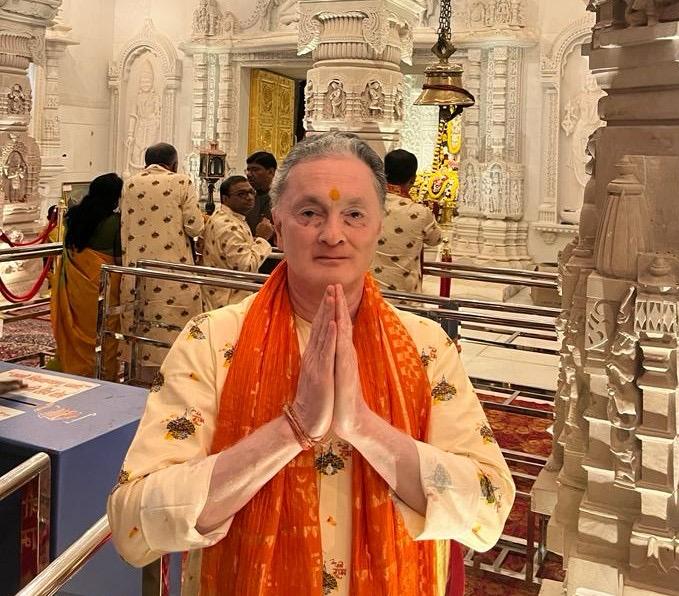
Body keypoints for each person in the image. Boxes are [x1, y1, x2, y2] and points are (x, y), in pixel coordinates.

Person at [108, 132, 513, 595]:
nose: (333, 234)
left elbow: (489, 511)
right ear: (277, 224)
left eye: (354, 214)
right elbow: (133, 526)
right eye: (309, 213)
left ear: (379, 225)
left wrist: (362, 425)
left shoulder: (425, 347)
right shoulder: (213, 341)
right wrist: (292, 429)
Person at [119, 142, 205, 381]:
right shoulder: (181, 181)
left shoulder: (130, 183)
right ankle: (174, 384)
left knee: (141, 326)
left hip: (137, 272)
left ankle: (139, 384)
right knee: (175, 333)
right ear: (174, 163)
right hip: (173, 275)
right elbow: (194, 225)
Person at [50, 173, 122, 379]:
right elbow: (118, 260)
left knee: (74, 333)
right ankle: (103, 378)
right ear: (115, 197)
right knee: (103, 335)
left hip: (74, 289)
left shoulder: (73, 216)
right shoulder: (114, 223)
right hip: (101, 289)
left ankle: (72, 370)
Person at [371, 149, 442, 293]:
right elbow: (436, 239)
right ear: (413, 179)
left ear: (384, 174)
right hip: (405, 297)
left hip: (369, 294)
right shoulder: (420, 213)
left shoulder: (368, 205)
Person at [201, 175, 272, 310]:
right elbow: (246, 268)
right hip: (229, 299)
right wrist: (262, 239)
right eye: (241, 194)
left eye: (251, 192)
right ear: (225, 199)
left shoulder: (226, 217)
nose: (249, 197)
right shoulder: (228, 226)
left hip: (222, 293)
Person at [244, 150, 279, 274]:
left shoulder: (282, 199)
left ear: (271, 172)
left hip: (273, 262)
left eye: (255, 170)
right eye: (248, 170)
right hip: (250, 260)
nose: (249, 174)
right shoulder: (248, 197)